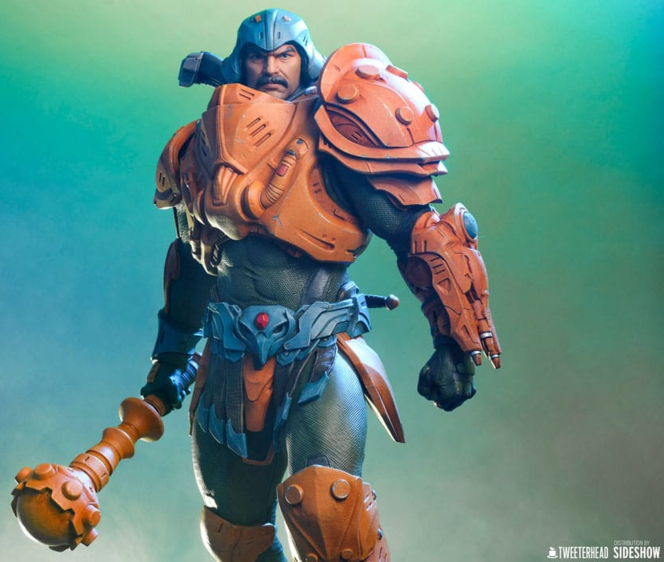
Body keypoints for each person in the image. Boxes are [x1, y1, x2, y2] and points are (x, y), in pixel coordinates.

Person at [142, 8, 501, 562]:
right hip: (230, 362)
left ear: (305, 60)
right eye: (257, 56)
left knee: (327, 515)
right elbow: (192, 263)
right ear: (238, 63)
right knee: (233, 535)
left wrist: (454, 345)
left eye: (284, 54)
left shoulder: (338, 133)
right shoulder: (196, 149)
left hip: (317, 354)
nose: (270, 67)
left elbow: (421, 234)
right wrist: (170, 357)